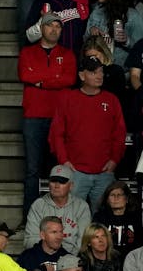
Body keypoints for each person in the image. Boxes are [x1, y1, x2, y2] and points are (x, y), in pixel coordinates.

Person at [48, 56, 125, 206]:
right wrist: (64, 161)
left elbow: (119, 134)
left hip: (104, 172)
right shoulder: (67, 99)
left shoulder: (112, 100)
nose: (99, 76)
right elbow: (56, 134)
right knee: (72, 218)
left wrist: (114, 160)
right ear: (82, 75)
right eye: (93, 72)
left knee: (103, 220)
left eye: (101, 71)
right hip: (76, 172)